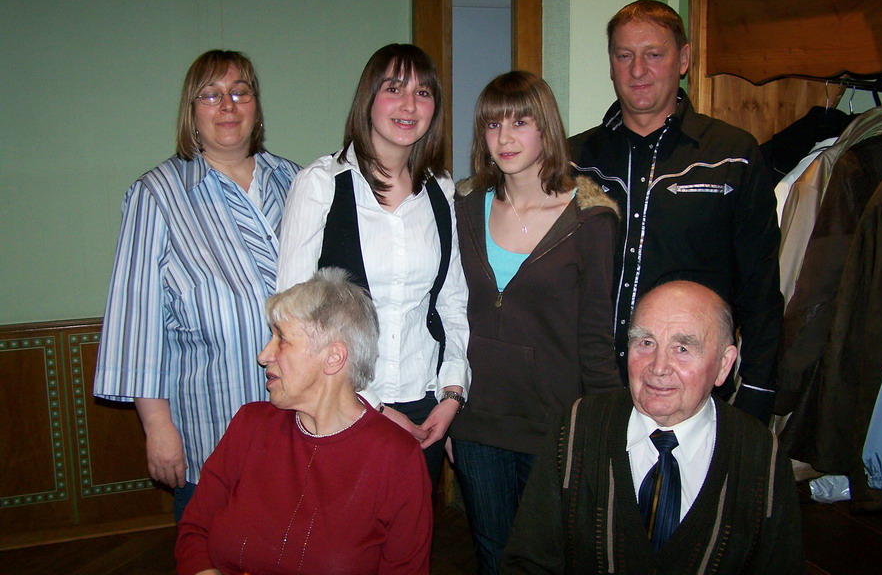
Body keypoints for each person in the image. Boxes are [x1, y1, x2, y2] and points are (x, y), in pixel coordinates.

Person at [93, 50, 300, 520]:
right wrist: (158, 427)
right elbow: (137, 319)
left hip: (302, 424)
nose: (227, 105)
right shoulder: (157, 196)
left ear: (256, 107)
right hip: (212, 428)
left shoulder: (297, 180)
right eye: (210, 95)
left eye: (239, 92)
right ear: (192, 112)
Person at [569, 0, 782, 424]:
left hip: (689, 387)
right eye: (624, 56)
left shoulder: (731, 156)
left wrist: (758, 388)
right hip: (589, 386)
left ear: (683, 59)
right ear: (610, 64)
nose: (637, 70)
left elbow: (760, 285)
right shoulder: (573, 159)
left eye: (654, 54)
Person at [503, 281, 804, 574]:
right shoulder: (577, 428)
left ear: (724, 365)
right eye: (646, 343)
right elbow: (529, 559)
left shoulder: (760, 456)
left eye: (683, 348)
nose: (658, 367)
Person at [450, 71, 620, 574]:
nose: (504, 138)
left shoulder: (591, 219)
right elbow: (447, 316)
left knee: (553, 559)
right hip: (478, 424)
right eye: (492, 125)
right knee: (493, 555)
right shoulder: (461, 207)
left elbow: (596, 338)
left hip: (556, 427)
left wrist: (607, 429)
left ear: (546, 127)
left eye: (520, 122)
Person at [277, 43, 470, 487]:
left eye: (423, 92)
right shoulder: (322, 185)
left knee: (411, 544)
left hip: (427, 403)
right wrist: (373, 406)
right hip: (343, 403)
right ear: (369, 100)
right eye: (394, 88)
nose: (409, 104)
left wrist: (452, 393)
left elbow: (453, 299)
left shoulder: (440, 189)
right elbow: (292, 315)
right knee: (343, 549)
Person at [176, 268, 432, 575]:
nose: (263, 355)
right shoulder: (250, 425)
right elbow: (195, 531)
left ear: (333, 358)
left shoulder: (395, 457)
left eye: (281, 339)